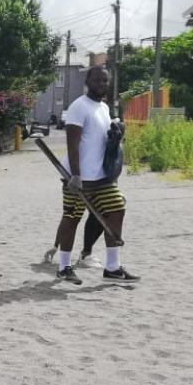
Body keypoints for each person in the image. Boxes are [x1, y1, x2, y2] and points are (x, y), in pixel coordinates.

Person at [51, 66, 139, 285]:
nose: (101, 84)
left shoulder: (103, 108)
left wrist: (117, 132)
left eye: (105, 81)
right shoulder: (78, 107)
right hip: (78, 178)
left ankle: (112, 267)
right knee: (72, 218)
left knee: (116, 209)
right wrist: (76, 176)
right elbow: (72, 144)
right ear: (88, 82)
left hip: (101, 178)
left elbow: (104, 140)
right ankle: (64, 267)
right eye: (97, 80)